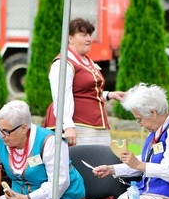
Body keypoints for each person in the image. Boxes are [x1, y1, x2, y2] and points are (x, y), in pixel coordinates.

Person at [45, 18, 124, 147]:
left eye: (90, 35)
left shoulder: (86, 60)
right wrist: (68, 125)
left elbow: (83, 90)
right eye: (83, 35)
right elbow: (61, 96)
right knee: (80, 163)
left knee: (100, 164)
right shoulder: (63, 63)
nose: (89, 39)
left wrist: (108, 95)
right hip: (78, 125)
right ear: (70, 38)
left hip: (94, 125)